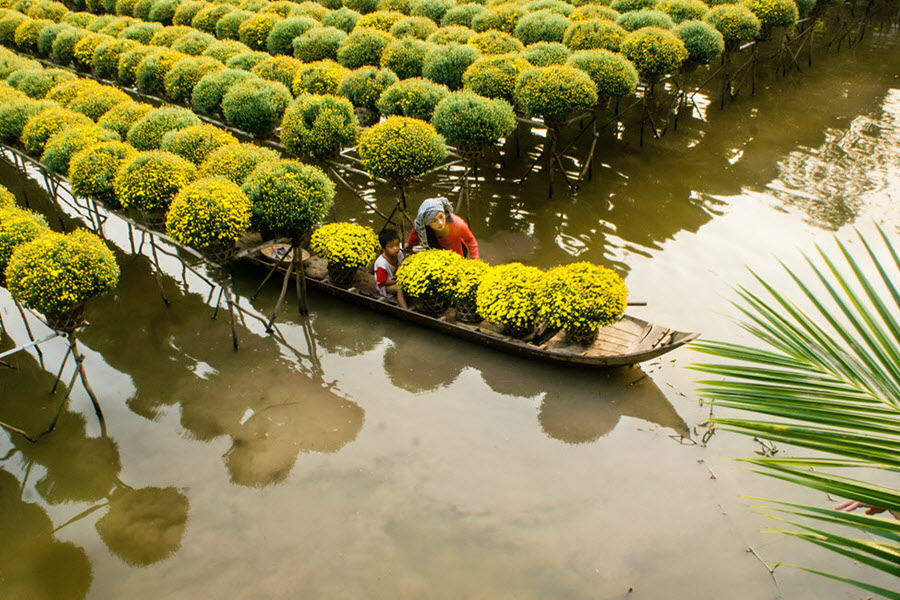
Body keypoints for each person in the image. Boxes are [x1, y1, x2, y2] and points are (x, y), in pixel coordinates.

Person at [404, 197, 479, 259]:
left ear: (444, 213)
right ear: (427, 223)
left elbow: (471, 241)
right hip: (435, 247)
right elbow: (415, 233)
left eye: (441, 217)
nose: (440, 223)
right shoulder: (421, 226)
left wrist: (474, 260)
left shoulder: (458, 224)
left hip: (455, 250)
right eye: (434, 221)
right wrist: (409, 245)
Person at [374, 228, 407, 309]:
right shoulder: (382, 264)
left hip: (396, 278)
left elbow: (403, 265)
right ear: (384, 249)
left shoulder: (399, 254)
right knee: (399, 289)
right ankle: (405, 309)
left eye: (397, 245)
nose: (395, 248)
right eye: (391, 247)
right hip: (385, 286)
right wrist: (397, 281)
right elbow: (382, 282)